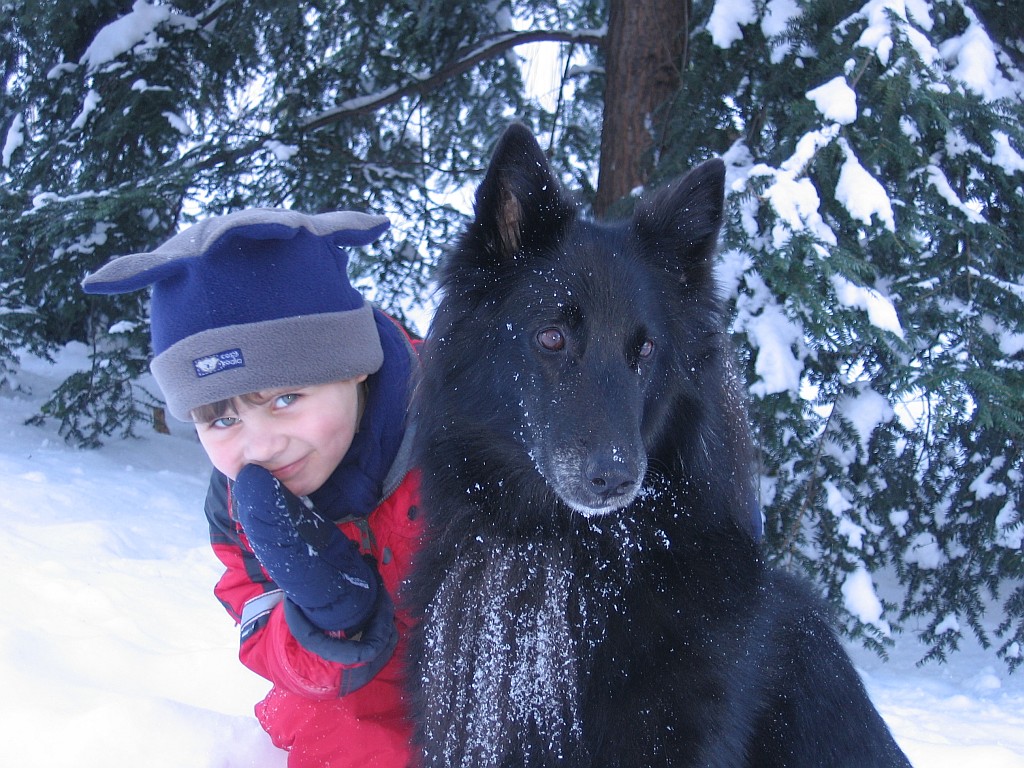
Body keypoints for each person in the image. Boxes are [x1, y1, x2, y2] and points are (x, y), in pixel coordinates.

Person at [83, 209, 421, 768]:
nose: (260, 447)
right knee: (337, 735)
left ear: (356, 365)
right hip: (364, 695)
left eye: (285, 399)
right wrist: (328, 624)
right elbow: (261, 628)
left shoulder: (468, 431)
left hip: (501, 669)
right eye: (220, 420)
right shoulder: (240, 505)